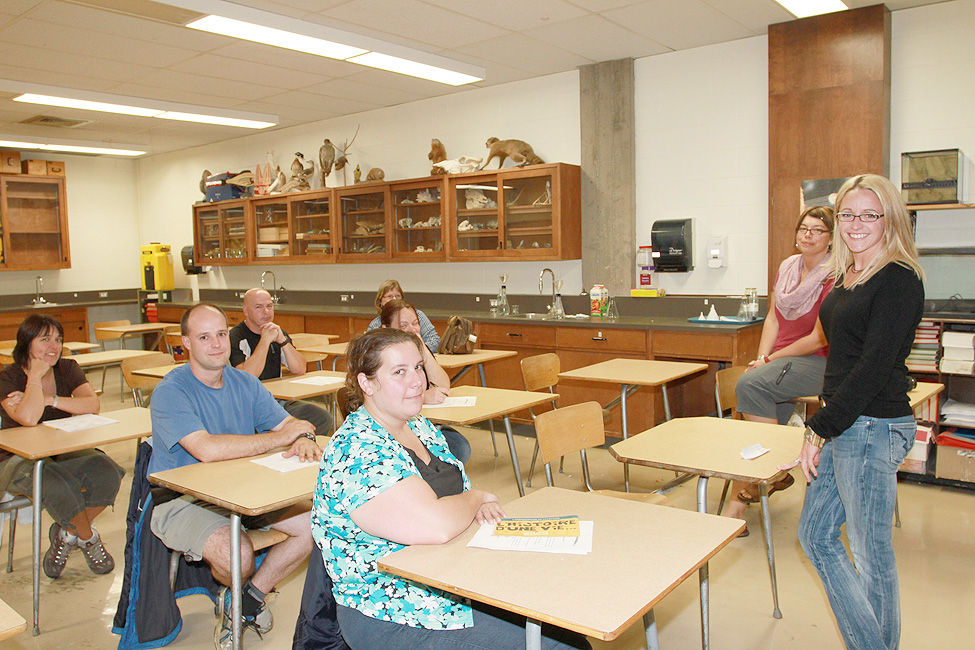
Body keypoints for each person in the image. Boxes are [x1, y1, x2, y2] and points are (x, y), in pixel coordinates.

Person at [311, 329, 591, 650]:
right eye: (399, 372)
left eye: (418, 367)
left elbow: (456, 494)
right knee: (563, 647)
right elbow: (438, 525)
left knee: (566, 628)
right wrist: (476, 499)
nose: (418, 381)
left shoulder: (417, 425)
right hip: (396, 610)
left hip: (450, 576)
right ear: (367, 383)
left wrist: (473, 505)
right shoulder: (357, 449)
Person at [790, 174, 924, 650]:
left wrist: (817, 429)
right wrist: (826, 421)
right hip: (849, 422)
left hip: (872, 425)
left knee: (870, 555)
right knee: (816, 536)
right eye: (848, 214)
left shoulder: (898, 279)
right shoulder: (846, 276)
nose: (856, 223)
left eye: (869, 214)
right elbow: (841, 359)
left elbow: (872, 368)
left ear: (889, 219)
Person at [149, 303, 323, 649]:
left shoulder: (244, 382)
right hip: (185, 501)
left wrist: (302, 436)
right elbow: (208, 449)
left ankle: (248, 599)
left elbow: (290, 424)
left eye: (220, 335)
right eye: (203, 337)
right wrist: (280, 438)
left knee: (314, 525)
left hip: (246, 491)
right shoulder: (171, 391)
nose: (216, 344)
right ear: (186, 343)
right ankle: (239, 593)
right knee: (238, 556)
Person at [724, 206, 835, 530]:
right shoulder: (787, 267)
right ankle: (762, 483)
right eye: (804, 228)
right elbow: (773, 317)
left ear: (831, 239)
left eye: (817, 230)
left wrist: (768, 363)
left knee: (750, 387)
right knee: (755, 405)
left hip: (819, 362)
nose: (808, 235)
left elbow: (819, 337)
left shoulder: (834, 274)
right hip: (782, 362)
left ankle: (755, 489)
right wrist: (761, 358)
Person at [0, 314, 123, 579]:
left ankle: (66, 533)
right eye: (44, 340)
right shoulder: (7, 377)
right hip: (15, 459)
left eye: (58, 339)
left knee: (107, 473)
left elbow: (92, 405)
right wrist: (34, 376)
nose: (53, 346)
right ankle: (88, 539)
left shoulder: (67, 368)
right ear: (27, 344)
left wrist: (47, 399)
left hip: (62, 449)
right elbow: (29, 419)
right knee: (58, 484)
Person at [230, 288, 332, 436]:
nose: (266, 312)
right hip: (248, 405)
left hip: (277, 400)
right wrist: (264, 341)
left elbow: (299, 369)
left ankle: (300, 449)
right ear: (245, 311)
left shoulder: (278, 333)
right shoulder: (236, 337)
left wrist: (283, 341)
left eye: (269, 306)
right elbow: (246, 376)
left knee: (321, 418)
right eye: (258, 307)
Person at [380, 298, 471, 463]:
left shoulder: (416, 348)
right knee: (455, 447)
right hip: (392, 429)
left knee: (459, 445)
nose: (412, 330)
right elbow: (384, 400)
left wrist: (421, 346)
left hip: (421, 422)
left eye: (415, 323)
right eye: (403, 326)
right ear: (385, 329)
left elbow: (443, 385)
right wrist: (423, 397)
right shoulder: (381, 358)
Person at [366, 279, 440, 353]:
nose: (394, 299)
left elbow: (435, 341)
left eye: (397, 296)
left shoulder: (418, 315)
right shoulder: (375, 325)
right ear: (380, 301)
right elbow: (370, 350)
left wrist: (416, 351)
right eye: (390, 296)